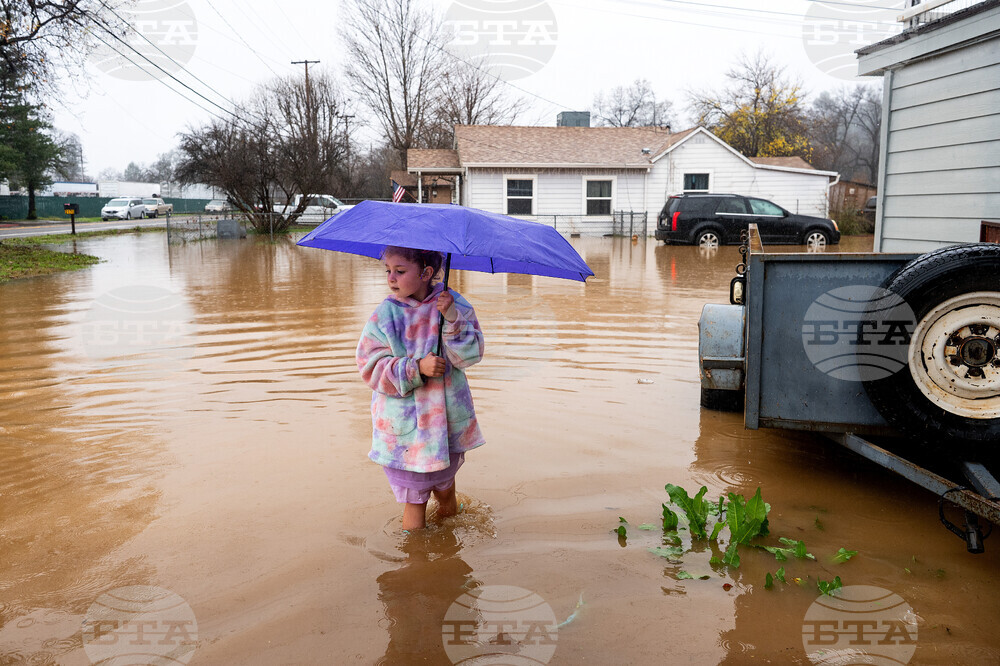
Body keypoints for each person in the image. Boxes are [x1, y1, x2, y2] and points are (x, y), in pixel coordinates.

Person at [356, 246, 485, 530]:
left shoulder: (453, 303)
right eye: (388, 270)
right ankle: (415, 555)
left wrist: (452, 318)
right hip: (407, 432)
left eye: (400, 271)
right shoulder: (385, 315)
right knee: (414, 501)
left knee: (446, 489)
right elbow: (369, 367)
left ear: (426, 273)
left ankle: (447, 542)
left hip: (446, 424)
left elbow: (470, 355)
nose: (391, 278)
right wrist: (415, 368)